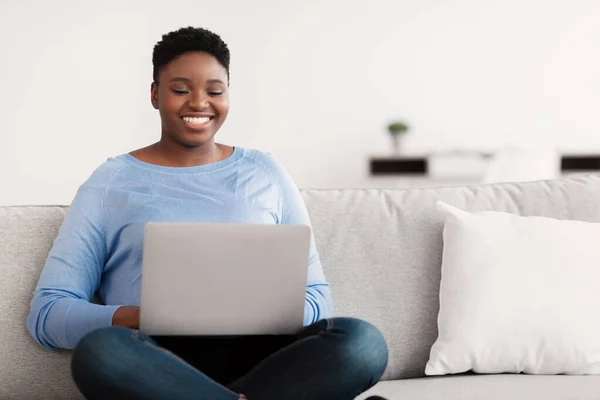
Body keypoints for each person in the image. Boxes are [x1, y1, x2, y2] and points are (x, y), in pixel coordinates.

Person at [26, 26, 389, 400]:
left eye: (215, 91)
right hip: (159, 364)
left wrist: (254, 309)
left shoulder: (266, 172)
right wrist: (142, 314)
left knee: (363, 343)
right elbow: (48, 313)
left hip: (271, 359)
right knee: (100, 352)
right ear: (155, 94)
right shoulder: (109, 183)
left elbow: (316, 296)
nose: (199, 103)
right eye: (180, 90)